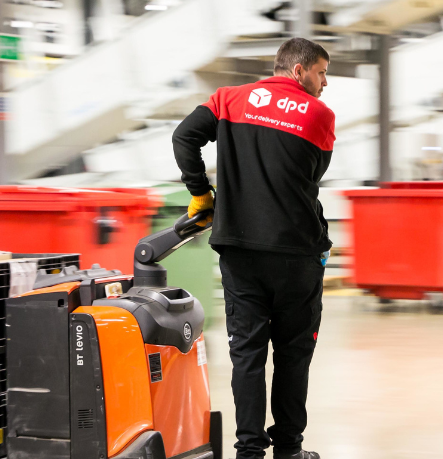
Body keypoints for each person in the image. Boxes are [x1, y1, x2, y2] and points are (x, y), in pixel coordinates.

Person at [171, 37, 334, 459]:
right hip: (296, 251)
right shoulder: (319, 114)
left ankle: (248, 452)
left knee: (246, 352)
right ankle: (288, 451)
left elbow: (184, 137)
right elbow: (312, 176)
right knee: (293, 353)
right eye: (321, 72)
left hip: (239, 250)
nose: (324, 83)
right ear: (298, 71)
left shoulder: (227, 99)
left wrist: (201, 193)